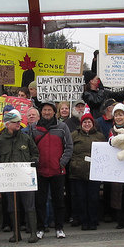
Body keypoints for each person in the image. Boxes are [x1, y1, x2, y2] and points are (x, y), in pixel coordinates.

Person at [0, 110, 40, 243]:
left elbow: (35, 152)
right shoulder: (0, 141)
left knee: (30, 205)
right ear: (7, 124)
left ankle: (33, 233)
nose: (18, 124)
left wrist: (35, 160)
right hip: (9, 179)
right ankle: (16, 233)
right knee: (12, 206)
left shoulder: (25, 138)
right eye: (15, 122)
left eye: (19, 121)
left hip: (25, 178)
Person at [30, 101, 73, 239]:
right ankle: (41, 228)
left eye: (49, 110)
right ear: (41, 112)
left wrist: (62, 163)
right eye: (44, 110)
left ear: (55, 112)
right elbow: (30, 148)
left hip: (57, 171)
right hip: (40, 171)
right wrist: (35, 162)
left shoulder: (62, 127)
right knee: (40, 202)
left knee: (59, 201)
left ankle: (59, 228)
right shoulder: (33, 128)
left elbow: (69, 147)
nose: (47, 112)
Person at [69, 112, 105, 230]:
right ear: (81, 124)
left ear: (93, 124)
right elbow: (69, 150)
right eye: (85, 122)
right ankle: (84, 221)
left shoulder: (99, 136)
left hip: (94, 172)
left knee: (93, 198)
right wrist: (74, 164)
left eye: (89, 122)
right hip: (78, 172)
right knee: (81, 198)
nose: (87, 124)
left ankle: (93, 220)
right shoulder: (74, 135)